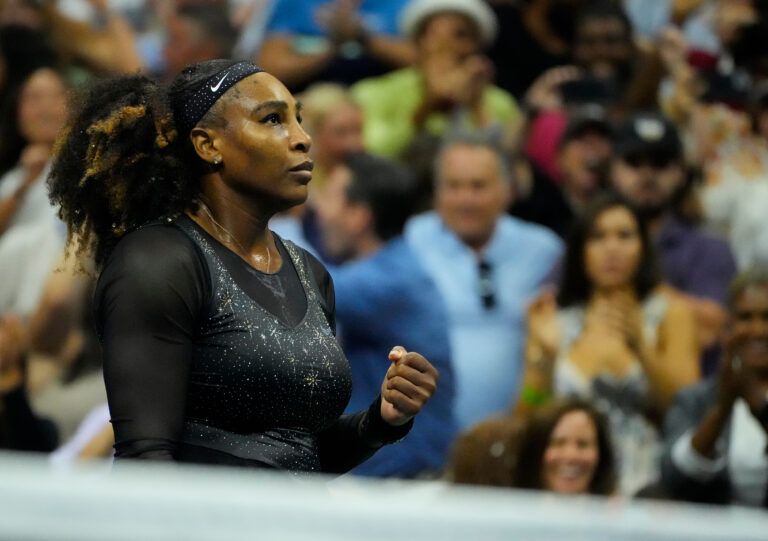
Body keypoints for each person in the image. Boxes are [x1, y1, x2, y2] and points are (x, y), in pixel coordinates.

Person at [47, 59, 439, 471]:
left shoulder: (310, 271)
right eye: (272, 119)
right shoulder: (159, 262)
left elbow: (301, 456)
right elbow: (145, 459)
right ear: (208, 145)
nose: (302, 138)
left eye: (298, 119)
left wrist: (382, 420)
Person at [522, 194, 700, 494]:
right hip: (572, 482)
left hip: (646, 485)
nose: (612, 248)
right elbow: (529, 417)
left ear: (643, 246)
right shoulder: (555, 320)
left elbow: (686, 411)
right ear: (580, 250)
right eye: (598, 237)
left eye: (624, 235)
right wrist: (543, 362)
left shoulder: (671, 313)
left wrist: (642, 349)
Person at [405, 131, 562, 431]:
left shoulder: (544, 251)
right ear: (436, 193)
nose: (466, 199)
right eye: (454, 186)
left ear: (508, 190)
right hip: (427, 434)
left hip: (519, 430)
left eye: (478, 186)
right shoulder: (412, 241)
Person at [316, 152, 455, 478]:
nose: (318, 208)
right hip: (388, 468)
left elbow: (291, 287)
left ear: (358, 216)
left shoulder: (390, 281)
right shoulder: (396, 265)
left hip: (400, 480)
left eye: (330, 196)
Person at [609, 112, 737, 374]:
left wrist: (625, 287)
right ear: (613, 171)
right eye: (633, 162)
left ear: (681, 172)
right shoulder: (586, 242)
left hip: (690, 391)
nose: (646, 174)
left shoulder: (711, 249)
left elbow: (711, 330)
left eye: (660, 162)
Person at [351, 0, 519, 159]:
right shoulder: (375, 92)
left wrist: (476, 106)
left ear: (476, 46)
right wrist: (425, 109)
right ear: (418, 42)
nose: (444, 44)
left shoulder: (500, 103)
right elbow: (372, 153)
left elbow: (505, 164)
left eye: (459, 35)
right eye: (432, 33)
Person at [661, 267, 768, 507]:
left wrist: (759, 406)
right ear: (727, 328)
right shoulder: (695, 399)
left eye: (767, 318)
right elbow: (672, 478)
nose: (758, 330)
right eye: (745, 318)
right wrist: (722, 409)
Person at [0, 66, 67, 317]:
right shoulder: (13, 180)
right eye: (34, 98)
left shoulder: (87, 167)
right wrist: (25, 184)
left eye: (53, 96)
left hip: (59, 300)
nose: (44, 108)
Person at [257, 0, 414, 92]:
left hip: (383, 97)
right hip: (312, 98)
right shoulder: (297, 4)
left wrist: (362, 36)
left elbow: (419, 60)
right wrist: (333, 47)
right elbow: (271, 68)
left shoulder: (400, 5)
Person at [511, 111, 614, 238]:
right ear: (561, 156)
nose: (593, 148)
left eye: (601, 140)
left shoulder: (618, 210)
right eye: (583, 140)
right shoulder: (540, 208)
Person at [513, 398, 616, 495]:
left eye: (583, 444)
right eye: (558, 443)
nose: (571, 455)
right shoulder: (508, 505)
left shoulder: (620, 507)